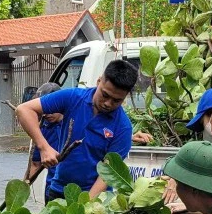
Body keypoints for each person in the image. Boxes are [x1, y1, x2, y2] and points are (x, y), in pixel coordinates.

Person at [15, 60, 137, 200]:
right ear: (99, 82)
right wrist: (44, 147)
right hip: (59, 191)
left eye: (116, 100)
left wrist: (85, 206)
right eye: (105, 95)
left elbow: (107, 174)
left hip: (95, 200)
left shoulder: (123, 127)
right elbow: (23, 109)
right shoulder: (73, 98)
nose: (108, 103)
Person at [23, 82, 67, 196]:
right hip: (53, 190)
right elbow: (35, 164)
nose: (47, 114)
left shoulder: (74, 123)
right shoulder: (42, 130)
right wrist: (20, 192)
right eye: (44, 109)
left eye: (52, 108)